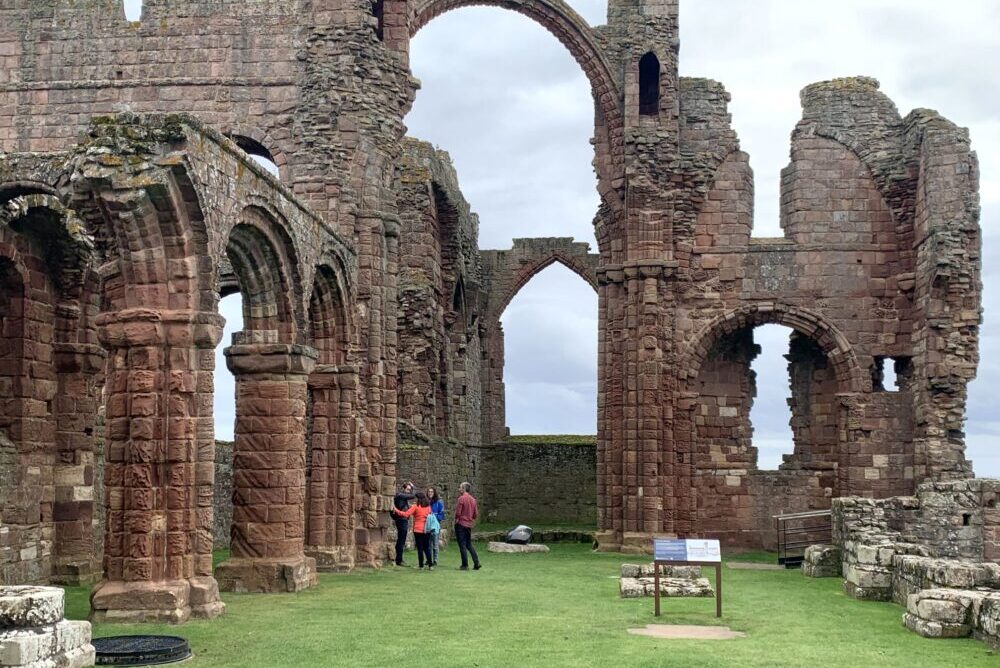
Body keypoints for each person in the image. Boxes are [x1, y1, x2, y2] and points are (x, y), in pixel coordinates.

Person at [393, 491, 435, 570]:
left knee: (420, 548)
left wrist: (396, 510)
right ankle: (430, 565)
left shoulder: (416, 506)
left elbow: (406, 514)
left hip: (418, 530)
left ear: (418, 499)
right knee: (427, 548)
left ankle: (421, 566)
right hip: (427, 529)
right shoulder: (428, 507)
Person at [454, 481, 481, 571]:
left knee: (462, 544)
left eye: (460, 487)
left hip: (461, 523)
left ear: (464, 489)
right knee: (469, 544)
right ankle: (476, 562)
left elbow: (458, 512)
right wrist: (470, 518)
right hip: (468, 525)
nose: (459, 489)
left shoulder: (461, 499)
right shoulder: (473, 500)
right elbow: (475, 514)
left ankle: (465, 565)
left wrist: (457, 519)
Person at [393, 482, 416, 566]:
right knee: (401, 540)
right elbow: (413, 495)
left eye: (409, 490)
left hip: (403, 519)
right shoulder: (400, 495)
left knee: (401, 540)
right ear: (403, 489)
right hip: (401, 520)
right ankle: (399, 560)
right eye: (407, 489)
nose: (408, 491)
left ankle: (398, 558)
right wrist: (413, 487)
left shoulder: (402, 497)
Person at [427, 487, 445, 567]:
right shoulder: (425, 502)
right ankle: (429, 559)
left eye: (432, 492)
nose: (430, 493)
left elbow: (441, 513)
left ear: (434, 493)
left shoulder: (438, 502)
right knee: (428, 544)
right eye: (429, 491)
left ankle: (435, 560)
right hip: (427, 525)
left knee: (435, 544)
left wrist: (436, 520)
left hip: (435, 525)